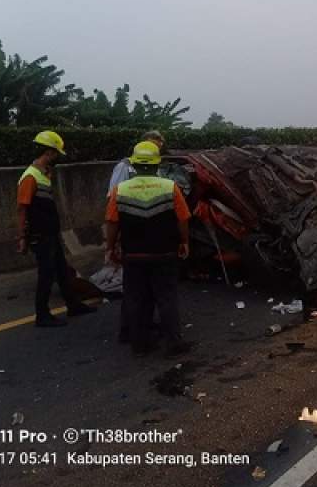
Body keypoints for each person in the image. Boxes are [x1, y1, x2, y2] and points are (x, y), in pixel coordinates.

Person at [105, 141, 192, 357]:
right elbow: (183, 219)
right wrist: (184, 242)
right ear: (158, 163)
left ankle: (139, 344)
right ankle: (173, 343)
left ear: (133, 164)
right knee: (167, 298)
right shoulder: (170, 187)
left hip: (133, 255)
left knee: (135, 299)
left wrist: (110, 248)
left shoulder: (119, 190)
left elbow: (112, 223)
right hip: (165, 253)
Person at [17, 131, 96, 327]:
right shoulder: (30, 177)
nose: (58, 158)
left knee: (61, 270)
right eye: (56, 154)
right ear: (49, 153)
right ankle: (42, 315)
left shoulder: (43, 174)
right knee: (46, 273)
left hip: (50, 232)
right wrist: (22, 237)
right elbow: (22, 208)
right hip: (40, 234)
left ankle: (73, 305)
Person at [107, 130, 166, 194]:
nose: (154, 149)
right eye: (151, 145)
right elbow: (113, 193)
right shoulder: (124, 166)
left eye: (157, 148)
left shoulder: (156, 166)